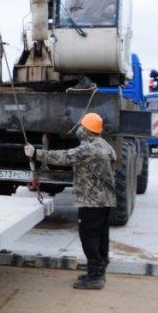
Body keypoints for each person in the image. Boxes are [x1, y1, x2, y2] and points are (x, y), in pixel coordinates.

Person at [25, 112, 116, 290]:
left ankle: (95, 277)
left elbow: (64, 157)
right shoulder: (106, 146)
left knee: (88, 237)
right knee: (101, 237)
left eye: (82, 126)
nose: (79, 129)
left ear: (87, 130)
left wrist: (36, 153)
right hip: (106, 200)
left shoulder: (88, 148)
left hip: (91, 201)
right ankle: (98, 271)